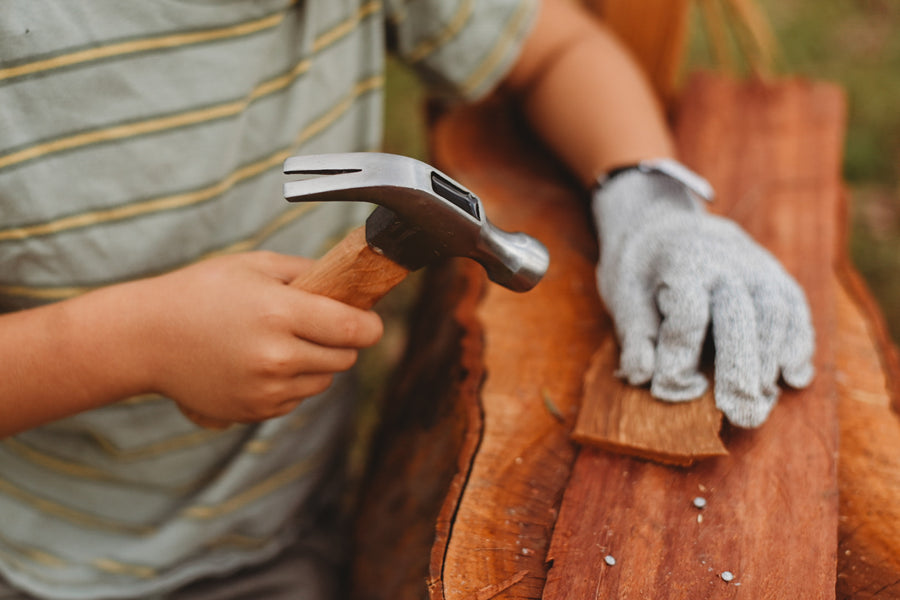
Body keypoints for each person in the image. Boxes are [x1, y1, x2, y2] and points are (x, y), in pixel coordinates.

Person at [0, 0, 814, 598]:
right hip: (41, 562)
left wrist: (647, 197)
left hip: (285, 537)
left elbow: (557, 46)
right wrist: (134, 345)